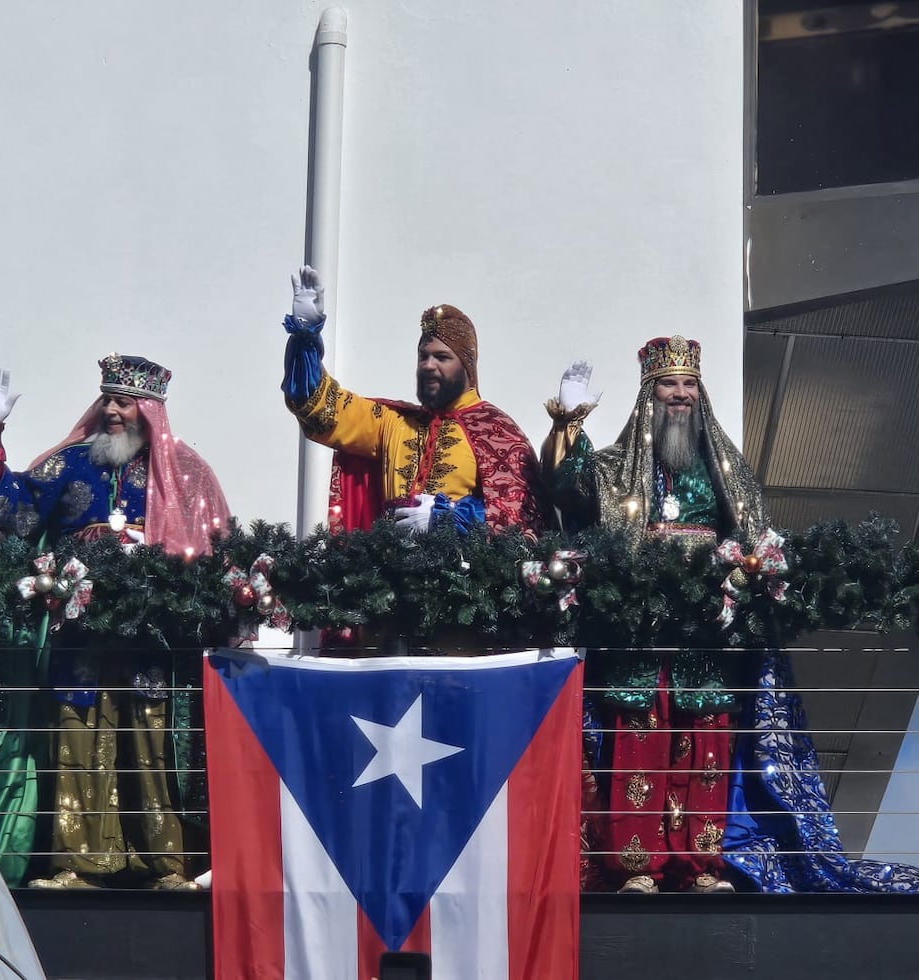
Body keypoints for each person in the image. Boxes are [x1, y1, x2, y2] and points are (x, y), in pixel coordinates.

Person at [543, 336, 919, 895]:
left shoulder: (727, 469)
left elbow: (753, 536)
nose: (680, 394)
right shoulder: (614, 466)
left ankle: (701, 866)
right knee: (638, 739)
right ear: (649, 394)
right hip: (640, 632)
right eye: (668, 384)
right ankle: (636, 867)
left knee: (707, 745)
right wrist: (568, 423)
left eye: (688, 384)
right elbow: (566, 488)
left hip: (707, 630)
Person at [0, 355, 231, 890]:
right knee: (77, 736)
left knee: (153, 742)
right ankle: (76, 865)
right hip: (79, 634)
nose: (111, 410)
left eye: (124, 401)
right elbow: (8, 509)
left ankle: (168, 865)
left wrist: (156, 554)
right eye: (107, 399)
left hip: (152, 639)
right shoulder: (71, 464)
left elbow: (215, 551)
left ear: (149, 410)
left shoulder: (186, 472)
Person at [282, 266, 551, 538]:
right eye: (423, 356)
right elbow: (320, 407)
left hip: (460, 565)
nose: (428, 365)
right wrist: (305, 336)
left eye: (442, 357)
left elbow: (522, 517)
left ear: (467, 367)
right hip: (389, 562)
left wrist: (449, 517)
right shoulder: (392, 421)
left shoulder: (496, 431)